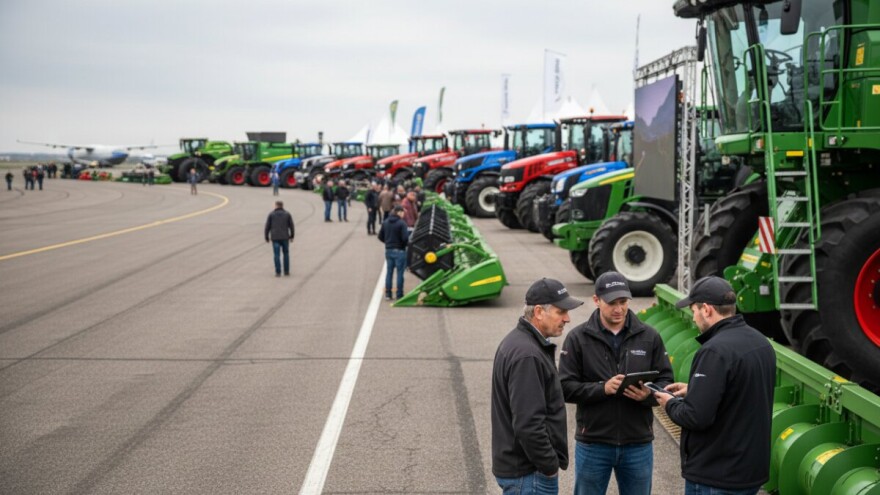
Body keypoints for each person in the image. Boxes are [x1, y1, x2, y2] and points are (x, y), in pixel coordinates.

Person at [654, 276, 776, 495]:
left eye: (694, 311)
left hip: (717, 475)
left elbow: (695, 416)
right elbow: (741, 391)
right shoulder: (760, 342)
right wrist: (697, 389)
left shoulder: (714, 350)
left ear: (707, 309)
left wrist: (669, 403)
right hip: (750, 472)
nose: (693, 318)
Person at [559, 271, 674, 495]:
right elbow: (564, 387)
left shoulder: (649, 336)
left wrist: (647, 397)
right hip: (593, 443)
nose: (619, 309)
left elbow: (666, 381)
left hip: (638, 443)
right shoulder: (578, 338)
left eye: (623, 302)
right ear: (596, 300)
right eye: (612, 303)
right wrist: (602, 388)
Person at [492, 278, 584, 495]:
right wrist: (549, 467)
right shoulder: (527, 355)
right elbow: (528, 424)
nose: (567, 319)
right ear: (540, 312)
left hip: (522, 471)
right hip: (529, 475)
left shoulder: (521, 343)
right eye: (561, 312)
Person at [377, 205, 409, 300]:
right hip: (400, 250)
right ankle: (399, 294)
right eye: (403, 212)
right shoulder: (402, 223)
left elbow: (380, 236)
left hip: (389, 250)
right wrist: (403, 245)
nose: (403, 214)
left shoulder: (386, 222)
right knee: (399, 273)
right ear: (399, 212)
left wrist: (388, 243)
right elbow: (405, 238)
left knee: (389, 273)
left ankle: (388, 294)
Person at [264, 200, 295, 277]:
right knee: (286, 254)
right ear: (282, 206)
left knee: (276, 255)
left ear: (276, 206)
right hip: (285, 237)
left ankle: (278, 272)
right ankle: (286, 271)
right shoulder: (287, 214)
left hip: (275, 237)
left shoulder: (271, 214)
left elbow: (267, 227)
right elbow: (291, 226)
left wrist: (266, 237)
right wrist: (292, 236)